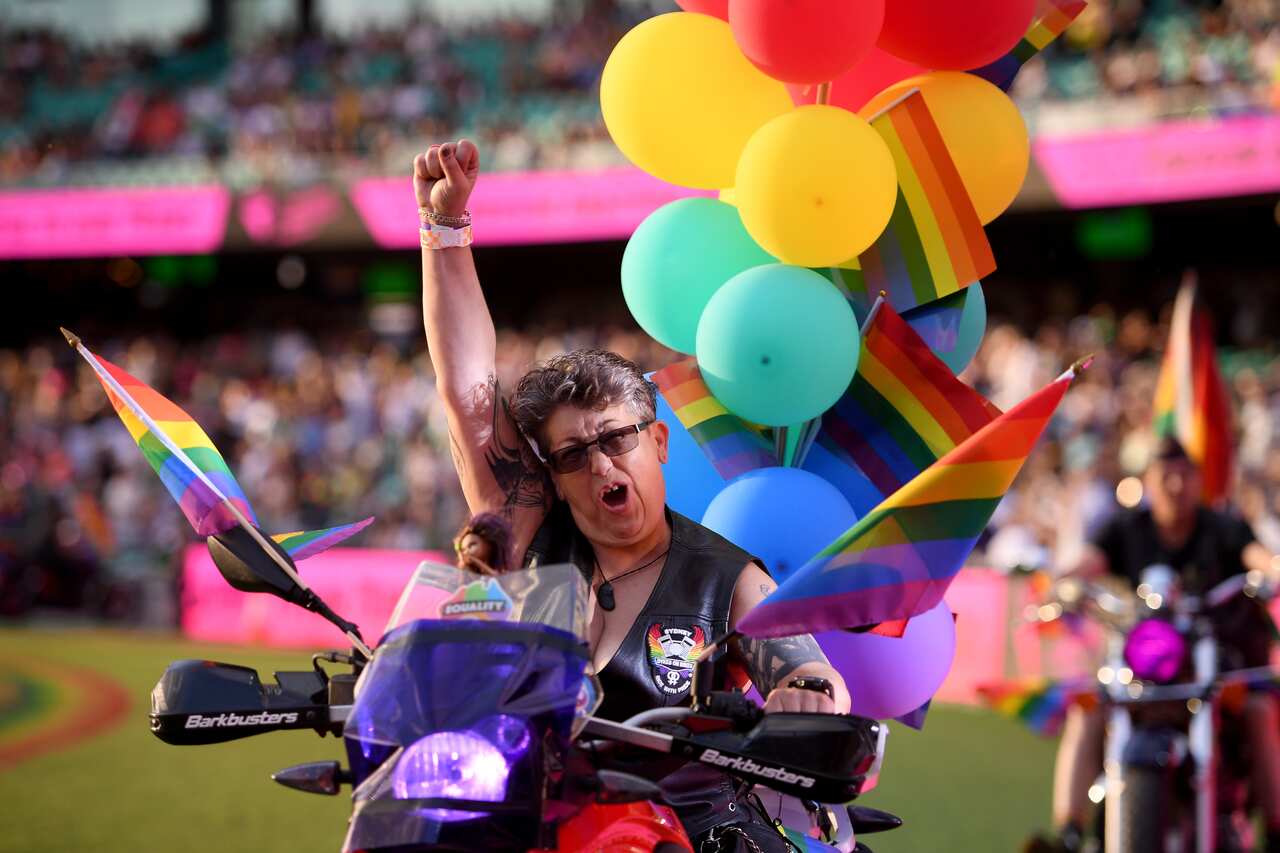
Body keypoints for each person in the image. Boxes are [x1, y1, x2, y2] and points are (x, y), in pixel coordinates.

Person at [414, 139, 850, 850]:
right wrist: (445, 230)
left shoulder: (726, 576)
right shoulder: (528, 528)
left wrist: (809, 689)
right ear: (550, 472)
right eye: (574, 454)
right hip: (527, 821)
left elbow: (805, 666)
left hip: (686, 832)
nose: (600, 465)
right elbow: (468, 396)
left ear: (659, 443)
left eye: (617, 438)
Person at [1043, 436, 1280, 852]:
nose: (1175, 485)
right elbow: (1088, 562)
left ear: (1198, 479)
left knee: (1260, 710)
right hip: (1145, 665)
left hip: (1216, 661)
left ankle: (1276, 830)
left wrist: (1273, 570)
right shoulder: (1125, 527)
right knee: (1088, 708)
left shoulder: (1223, 527)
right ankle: (1070, 831)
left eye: (1184, 474)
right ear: (1147, 481)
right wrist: (1062, 583)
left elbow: (1256, 557)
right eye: (1165, 475)